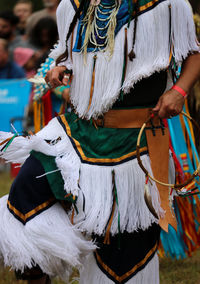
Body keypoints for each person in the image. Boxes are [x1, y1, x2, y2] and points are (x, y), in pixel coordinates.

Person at [0, 1, 200, 284]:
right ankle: (37, 273)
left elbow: (193, 53)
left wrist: (179, 90)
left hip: (136, 141)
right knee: (27, 190)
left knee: (123, 245)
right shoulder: (72, 7)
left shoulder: (166, 4)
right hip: (79, 132)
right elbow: (70, 57)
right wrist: (60, 69)